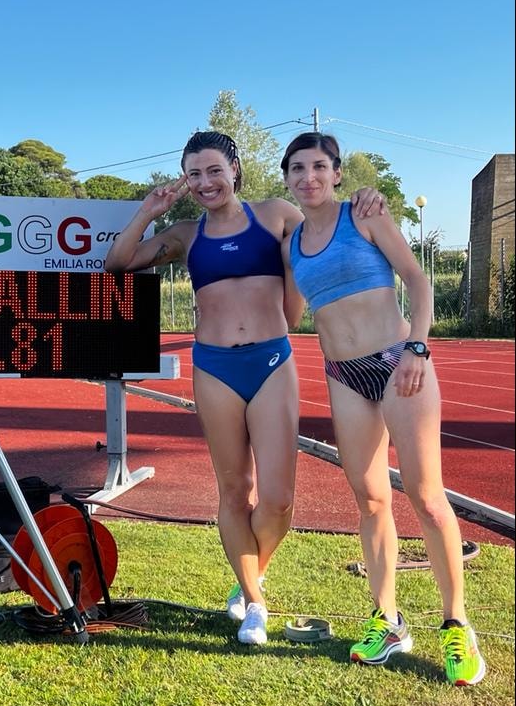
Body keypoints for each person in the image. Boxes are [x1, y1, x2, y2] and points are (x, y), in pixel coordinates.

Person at [104, 130, 382, 645]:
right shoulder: (185, 235)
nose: (205, 182)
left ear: (235, 169)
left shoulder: (276, 214)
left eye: (214, 170)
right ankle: (254, 602)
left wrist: (363, 197)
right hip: (214, 368)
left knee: (278, 499)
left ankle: (251, 571)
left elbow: (327, 222)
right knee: (235, 491)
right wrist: (148, 211)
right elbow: (117, 263)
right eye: (194, 174)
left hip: (272, 361)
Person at [281, 131, 486, 686]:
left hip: (399, 363)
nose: (308, 177)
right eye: (297, 168)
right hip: (344, 375)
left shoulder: (364, 215)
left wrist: (418, 347)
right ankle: (388, 620)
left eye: (318, 167)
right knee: (371, 500)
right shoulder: (291, 243)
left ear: (337, 173)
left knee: (426, 496)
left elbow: (417, 280)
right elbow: (288, 312)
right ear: (287, 179)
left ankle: (456, 625)